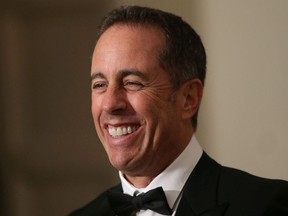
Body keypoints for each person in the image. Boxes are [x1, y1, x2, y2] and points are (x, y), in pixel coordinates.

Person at [69, 5, 288, 216]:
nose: (109, 104)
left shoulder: (264, 206)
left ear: (188, 98)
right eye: (99, 85)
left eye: (132, 82)